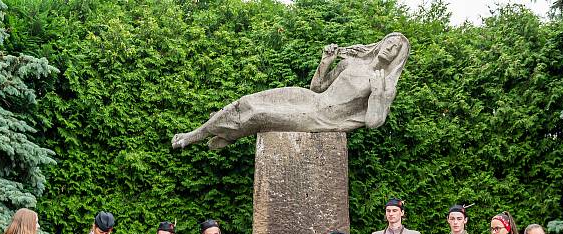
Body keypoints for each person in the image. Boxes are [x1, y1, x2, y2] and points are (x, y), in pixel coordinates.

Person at [171, 33, 410, 150]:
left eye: (396, 48)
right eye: (389, 42)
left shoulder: (386, 84)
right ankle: (198, 134)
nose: (390, 48)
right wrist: (325, 62)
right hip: (311, 99)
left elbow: (373, 122)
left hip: (322, 118)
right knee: (247, 103)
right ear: (381, 43)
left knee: (259, 115)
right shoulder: (351, 64)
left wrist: (378, 94)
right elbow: (317, 87)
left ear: (397, 57)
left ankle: (209, 137)